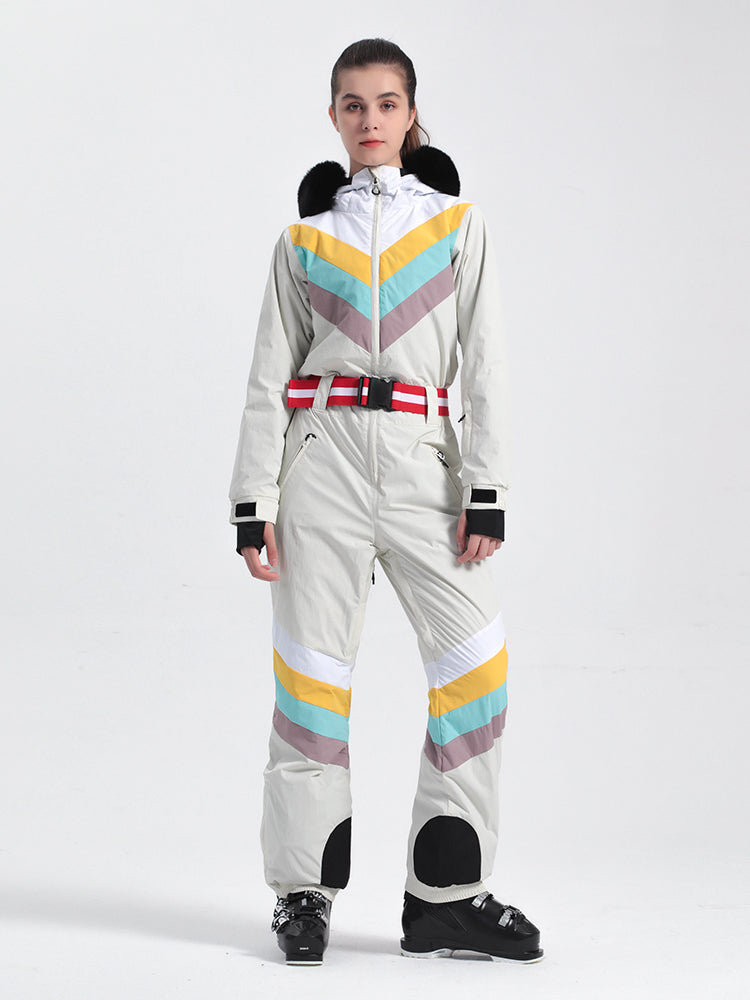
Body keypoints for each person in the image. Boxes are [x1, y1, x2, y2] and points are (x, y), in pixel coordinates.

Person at [229, 37, 543, 966]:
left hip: (423, 468)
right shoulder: (303, 240)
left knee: (476, 670)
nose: (370, 120)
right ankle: (303, 893)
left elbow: (485, 363)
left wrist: (486, 490)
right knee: (311, 684)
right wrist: (253, 499)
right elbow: (268, 378)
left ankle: (446, 895)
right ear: (333, 116)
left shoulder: (455, 227)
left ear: (411, 113)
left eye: (387, 103)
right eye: (353, 105)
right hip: (320, 465)